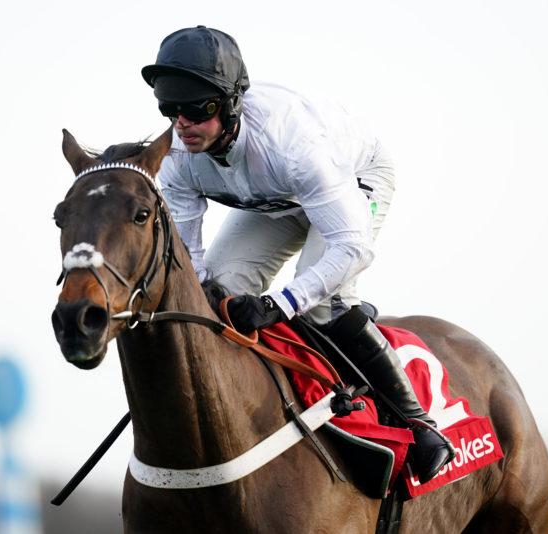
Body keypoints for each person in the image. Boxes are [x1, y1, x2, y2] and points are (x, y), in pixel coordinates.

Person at [141, 25, 454, 483]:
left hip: (350, 178)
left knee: (323, 304)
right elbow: (193, 262)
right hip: (276, 200)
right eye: (170, 109)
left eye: (197, 109)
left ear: (231, 104)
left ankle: (420, 425)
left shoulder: (293, 144)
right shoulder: (176, 156)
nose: (182, 124)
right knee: (219, 293)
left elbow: (353, 248)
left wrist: (279, 304)